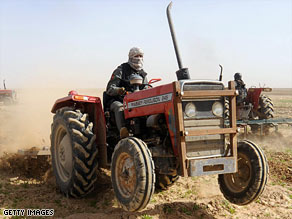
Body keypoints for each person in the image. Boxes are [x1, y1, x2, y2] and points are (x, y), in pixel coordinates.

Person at [105, 47, 149, 138]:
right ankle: (124, 134)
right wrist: (120, 90)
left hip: (137, 101)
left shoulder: (143, 74)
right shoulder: (121, 70)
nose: (139, 58)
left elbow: (146, 87)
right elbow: (110, 89)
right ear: (131, 57)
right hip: (118, 100)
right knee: (120, 107)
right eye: (137, 56)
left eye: (141, 56)